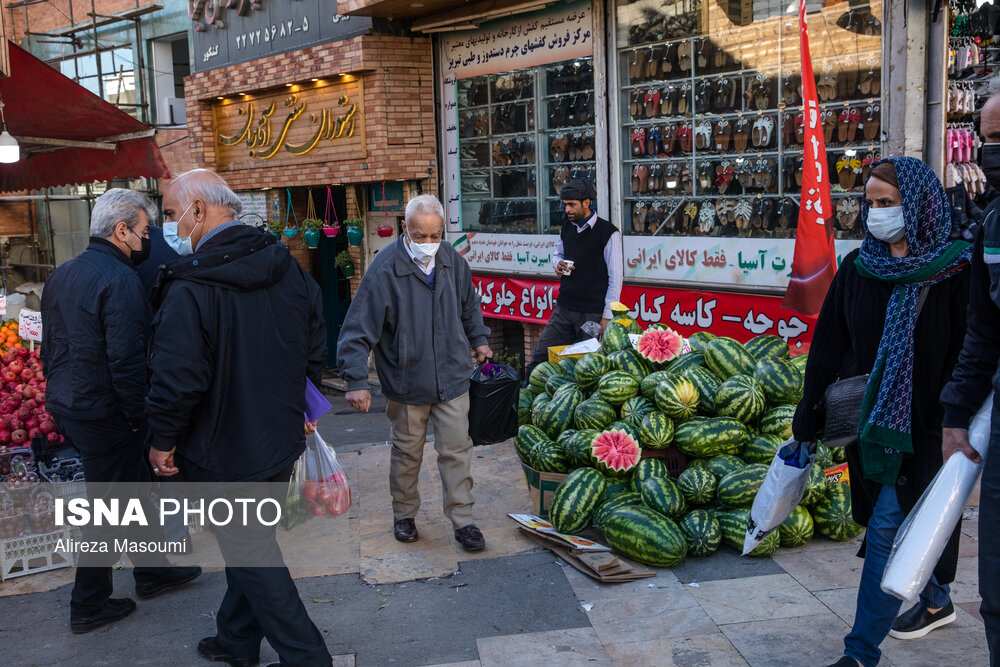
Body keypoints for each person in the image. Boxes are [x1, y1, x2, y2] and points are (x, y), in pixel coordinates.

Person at [145, 169, 331, 667]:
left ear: (199, 210)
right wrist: (297, 404)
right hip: (276, 439)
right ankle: (236, 640)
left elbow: (178, 376)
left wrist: (162, 439)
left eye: (170, 213)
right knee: (249, 541)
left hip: (222, 450)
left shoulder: (190, 286)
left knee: (252, 552)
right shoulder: (286, 266)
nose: (170, 225)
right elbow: (316, 343)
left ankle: (310, 657)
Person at [791, 157, 972, 667]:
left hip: (931, 427)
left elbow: (971, 352)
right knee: (911, 520)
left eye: (886, 204)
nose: (875, 214)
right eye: (869, 203)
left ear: (917, 206)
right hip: (870, 425)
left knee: (888, 527)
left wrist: (959, 419)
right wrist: (809, 414)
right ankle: (936, 597)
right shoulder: (858, 268)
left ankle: (859, 653)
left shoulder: (958, 268)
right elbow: (828, 345)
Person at [40, 189, 202, 633]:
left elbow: (48, 349)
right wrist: (141, 421)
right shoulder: (120, 280)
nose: (147, 240)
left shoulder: (63, 274)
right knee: (111, 505)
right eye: (145, 231)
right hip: (106, 410)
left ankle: (152, 572)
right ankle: (89, 603)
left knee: (126, 490)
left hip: (71, 404)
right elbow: (128, 362)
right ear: (122, 231)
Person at [337, 194, 492, 550]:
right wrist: (356, 381)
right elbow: (358, 327)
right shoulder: (385, 268)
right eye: (420, 236)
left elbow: (469, 304)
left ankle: (463, 520)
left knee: (457, 451)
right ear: (405, 228)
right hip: (407, 381)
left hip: (453, 377)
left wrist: (479, 339)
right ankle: (404, 514)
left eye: (435, 235)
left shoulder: (451, 258)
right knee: (408, 454)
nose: (427, 243)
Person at [940, 84, 1000, 666]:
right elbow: (984, 331)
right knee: (997, 596)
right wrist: (957, 415)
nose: (993, 151)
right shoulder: (992, 225)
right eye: (988, 139)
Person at [523, 178, 622, 379]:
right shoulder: (566, 228)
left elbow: (616, 277)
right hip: (564, 308)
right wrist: (556, 264)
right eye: (565, 204)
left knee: (586, 367)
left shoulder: (608, 233)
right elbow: (557, 254)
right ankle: (523, 399)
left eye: (571, 205)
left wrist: (606, 317)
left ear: (586, 203)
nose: (567, 209)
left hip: (592, 313)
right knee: (541, 356)